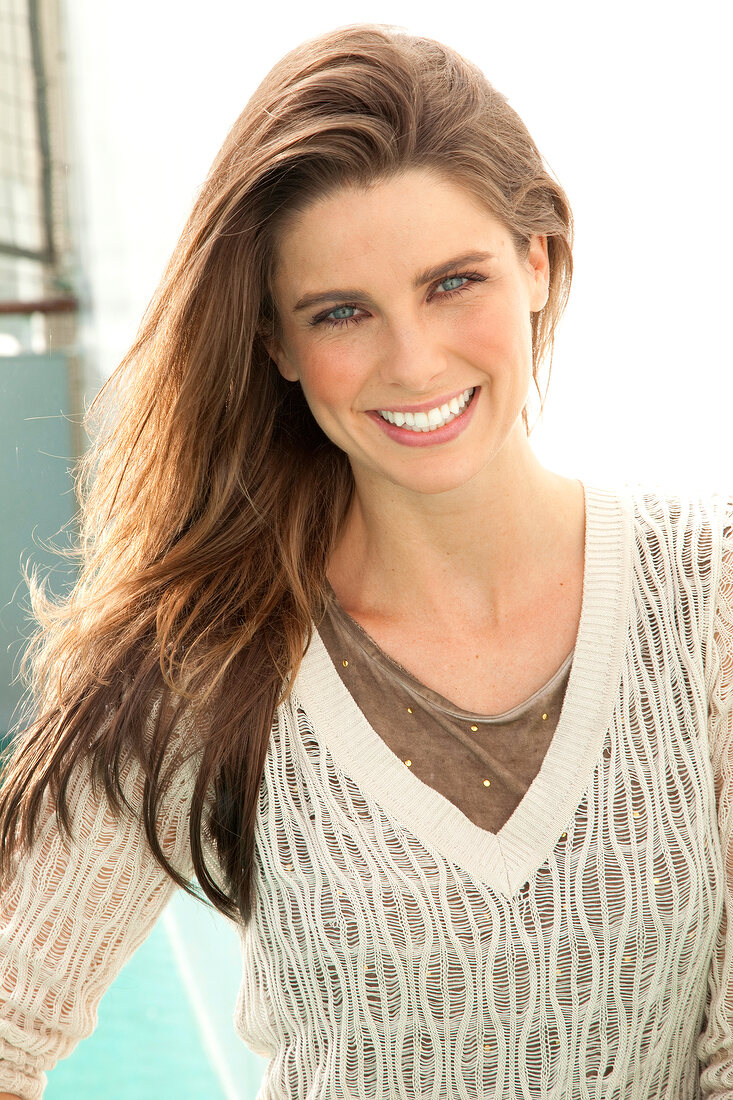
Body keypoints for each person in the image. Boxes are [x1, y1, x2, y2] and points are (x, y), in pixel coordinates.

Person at [0, 21, 731, 1100]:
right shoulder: (200, 661)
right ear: (277, 345)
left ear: (536, 260)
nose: (412, 359)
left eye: (453, 282)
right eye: (342, 312)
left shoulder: (707, 598)